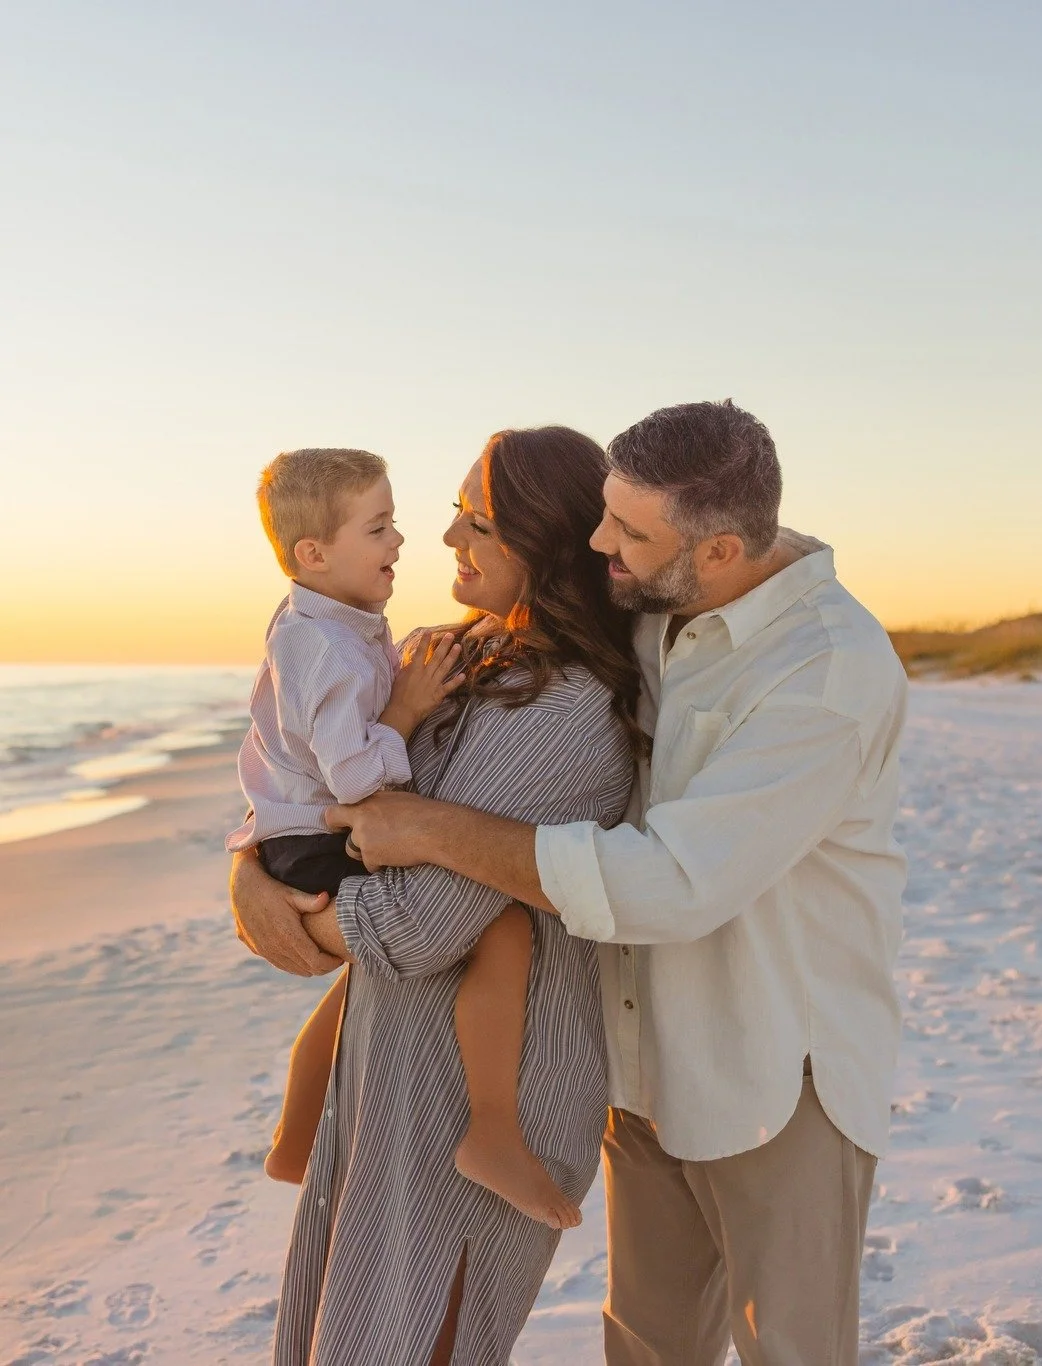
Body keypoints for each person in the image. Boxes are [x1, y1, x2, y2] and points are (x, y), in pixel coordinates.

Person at [329, 400, 909, 1366]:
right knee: (647, 1344)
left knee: (793, 1350)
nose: (599, 542)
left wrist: (427, 827)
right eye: (605, 513)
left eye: (627, 532)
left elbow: (671, 883)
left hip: (776, 1069)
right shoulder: (656, 599)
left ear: (719, 549)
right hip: (642, 1056)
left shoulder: (825, 672)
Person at [231, 427, 639, 1365]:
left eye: (478, 519)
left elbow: (419, 927)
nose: (445, 536)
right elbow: (298, 774)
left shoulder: (567, 709)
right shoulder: (440, 652)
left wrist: (285, 914)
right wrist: (247, 871)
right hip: (383, 1079)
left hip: (470, 1105)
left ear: (544, 542)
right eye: (448, 513)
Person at [227, 446, 573, 1228]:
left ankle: (293, 1136)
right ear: (314, 554)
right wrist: (408, 713)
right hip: (319, 836)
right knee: (504, 928)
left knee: (364, 978)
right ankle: (491, 1129)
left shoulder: (327, 623)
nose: (404, 542)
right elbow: (354, 778)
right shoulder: (324, 650)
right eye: (379, 528)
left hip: (299, 831)